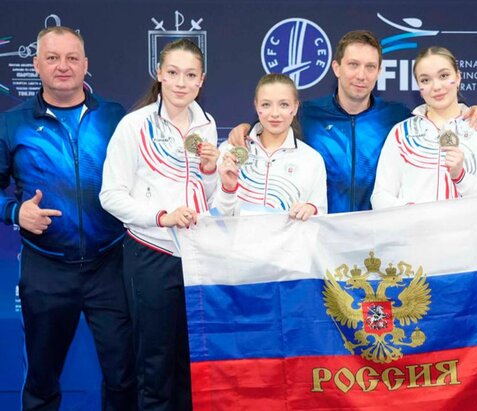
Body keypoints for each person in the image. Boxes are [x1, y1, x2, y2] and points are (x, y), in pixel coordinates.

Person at [0, 26, 134, 410]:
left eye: (72, 58)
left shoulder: (114, 116)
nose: (63, 66)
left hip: (111, 266)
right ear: (36, 64)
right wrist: (15, 211)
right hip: (46, 270)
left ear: (86, 64)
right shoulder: (12, 124)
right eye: (53, 58)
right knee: (42, 382)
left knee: (124, 379)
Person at [228, 30, 477, 213]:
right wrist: (247, 128)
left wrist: (471, 110)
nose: (361, 75)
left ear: (379, 71)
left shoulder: (397, 117)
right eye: (353, 65)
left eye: (370, 67)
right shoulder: (307, 113)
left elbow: (435, 116)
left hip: (378, 240)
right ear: (336, 67)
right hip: (320, 238)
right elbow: (272, 124)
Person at [100, 39, 219, 410]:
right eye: (173, 73)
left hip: (196, 257)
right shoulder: (134, 126)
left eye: (190, 75)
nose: (181, 83)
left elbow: (209, 196)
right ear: (159, 74)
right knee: (154, 364)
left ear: (202, 80)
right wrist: (161, 216)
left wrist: (211, 171)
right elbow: (110, 195)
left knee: (190, 362)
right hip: (151, 253)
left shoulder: (207, 125)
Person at [370, 46, 477, 208]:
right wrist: (412, 214)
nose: (436, 87)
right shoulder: (402, 133)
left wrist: (461, 177)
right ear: (419, 87)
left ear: (458, 77)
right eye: (425, 80)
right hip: (413, 225)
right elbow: (380, 196)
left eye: (444, 76)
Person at [216, 74, 327, 218]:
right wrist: (228, 190)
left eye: (284, 105)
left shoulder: (312, 160)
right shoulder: (229, 151)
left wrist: (311, 211)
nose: (275, 114)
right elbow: (214, 219)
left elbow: (320, 220)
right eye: (266, 105)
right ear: (256, 106)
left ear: (295, 107)